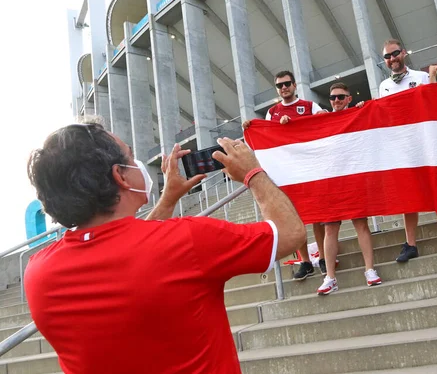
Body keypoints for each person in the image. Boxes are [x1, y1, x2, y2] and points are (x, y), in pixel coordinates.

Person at [25, 122, 306, 374]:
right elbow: (291, 234)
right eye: (130, 158)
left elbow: (128, 252)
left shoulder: (38, 273)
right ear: (121, 177)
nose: (138, 165)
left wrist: (168, 199)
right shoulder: (189, 238)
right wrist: (252, 172)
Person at [359, 39, 437, 263]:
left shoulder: (421, 78)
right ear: (384, 61)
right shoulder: (384, 86)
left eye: (395, 54)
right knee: (408, 196)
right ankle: (411, 244)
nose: (392, 59)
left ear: (403, 53)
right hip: (402, 149)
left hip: (426, 143)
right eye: (387, 56)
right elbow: (383, 115)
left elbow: (435, 101)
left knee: (436, 191)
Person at [242, 70, 327, 280]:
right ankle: (306, 261)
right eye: (279, 85)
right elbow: (267, 137)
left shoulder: (308, 106)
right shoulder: (273, 112)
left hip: (310, 170)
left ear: (295, 84)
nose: (284, 88)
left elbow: (323, 120)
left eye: (287, 83)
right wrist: (250, 128)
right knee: (295, 218)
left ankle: (324, 257)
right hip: (287, 173)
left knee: (318, 217)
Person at [316, 82, 382, 295]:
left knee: (360, 224)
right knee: (330, 229)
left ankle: (369, 269)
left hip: (353, 179)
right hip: (331, 181)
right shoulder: (323, 120)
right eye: (333, 97)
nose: (336, 101)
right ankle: (330, 277)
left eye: (340, 97)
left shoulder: (357, 114)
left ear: (349, 98)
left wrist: (363, 110)